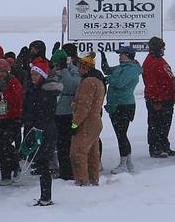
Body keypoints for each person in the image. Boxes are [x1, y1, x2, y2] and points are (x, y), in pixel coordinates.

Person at [23, 58, 62, 205]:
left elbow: (42, 113)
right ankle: (44, 196)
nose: (33, 77)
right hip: (39, 129)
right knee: (41, 164)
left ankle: (46, 197)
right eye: (32, 74)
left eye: (35, 74)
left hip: (45, 131)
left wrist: (37, 129)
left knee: (44, 164)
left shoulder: (45, 92)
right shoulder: (36, 90)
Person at [101, 46, 142, 173]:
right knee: (121, 134)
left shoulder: (132, 69)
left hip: (124, 106)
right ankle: (128, 162)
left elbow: (119, 83)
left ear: (128, 55)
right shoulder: (121, 67)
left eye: (121, 54)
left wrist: (106, 79)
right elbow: (107, 70)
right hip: (116, 105)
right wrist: (103, 57)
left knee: (121, 135)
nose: (119, 56)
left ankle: (124, 163)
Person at [0, 59, 24, 185]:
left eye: (2, 71)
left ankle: (14, 167)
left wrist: (5, 93)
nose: (0, 74)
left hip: (12, 118)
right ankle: (6, 175)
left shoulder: (14, 82)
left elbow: (17, 99)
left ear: (8, 71)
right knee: (0, 147)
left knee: (6, 145)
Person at [70, 54, 106, 186]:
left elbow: (83, 106)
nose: (78, 70)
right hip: (96, 120)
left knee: (78, 152)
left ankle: (82, 181)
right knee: (92, 152)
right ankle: (93, 178)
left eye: (80, 67)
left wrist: (75, 123)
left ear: (85, 68)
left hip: (87, 122)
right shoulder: (99, 80)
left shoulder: (88, 82)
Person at [141, 37, 174, 158]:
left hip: (167, 98)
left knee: (165, 125)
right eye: (162, 47)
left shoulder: (159, 60)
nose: (164, 49)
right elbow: (150, 83)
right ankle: (155, 148)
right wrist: (155, 99)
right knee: (156, 125)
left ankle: (164, 145)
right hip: (158, 99)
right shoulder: (151, 62)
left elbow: (168, 78)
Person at [51, 48, 80, 180]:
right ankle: (63, 169)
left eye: (57, 63)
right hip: (56, 111)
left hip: (68, 112)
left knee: (67, 144)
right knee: (60, 144)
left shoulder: (73, 70)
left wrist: (64, 71)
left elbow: (72, 85)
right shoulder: (53, 71)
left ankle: (69, 171)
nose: (55, 66)